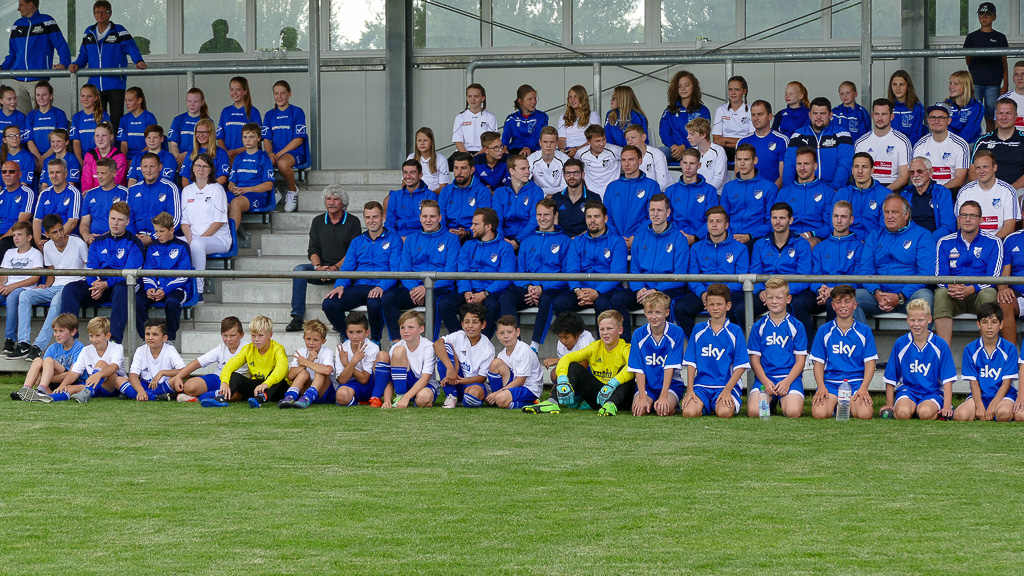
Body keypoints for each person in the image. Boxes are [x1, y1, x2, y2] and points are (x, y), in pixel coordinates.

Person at [60, 201, 143, 343]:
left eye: (120, 220)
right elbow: (91, 269)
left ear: (127, 221)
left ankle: (114, 342)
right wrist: (96, 284)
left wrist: (106, 283)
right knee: (70, 289)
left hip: (121, 285)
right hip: (99, 286)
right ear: (108, 218)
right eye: (112, 219)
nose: (115, 223)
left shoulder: (135, 243)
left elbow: (129, 273)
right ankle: (69, 339)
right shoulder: (98, 242)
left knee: (122, 289)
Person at [526, 309, 632, 416]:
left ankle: (610, 404)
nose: (605, 333)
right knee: (573, 366)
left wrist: (613, 383)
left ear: (620, 330)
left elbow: (631, 369)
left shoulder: (626, 349)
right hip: (600, 398)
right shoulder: (595, 347)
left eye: (609, 329)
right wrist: (563, 378)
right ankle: (552, 402)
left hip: (621, 401)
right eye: (602, 329)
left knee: (630, 367)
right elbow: (567, 358)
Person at [321, 200, 400, 341]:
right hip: (360, 286)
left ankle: (375, 341)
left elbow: (395, 271)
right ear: (364, 218)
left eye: (375, 217)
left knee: (374, 302)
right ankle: (350, 338)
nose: (371, 221)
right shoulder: (357, 241)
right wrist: (339, 286)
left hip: (381, 285)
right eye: (368, 217)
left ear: (383, 218)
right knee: (329, 303)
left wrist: (381, 287)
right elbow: (347, 269)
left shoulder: (394, 240)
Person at [380, 199, 458, 340]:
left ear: (439, 218)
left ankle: (430, 342)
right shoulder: (410, 239)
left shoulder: (451, 239)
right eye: (425, 216)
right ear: (420, 217)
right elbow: (404, 269)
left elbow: (450, 272)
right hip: (414, 288)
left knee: (435, 299)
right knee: (388, 298)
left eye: (432, 216)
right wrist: (414, 288)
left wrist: (427, 287)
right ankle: (397, 342)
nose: (428, 220)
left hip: (439, 287)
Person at [499, 198, 571, 349]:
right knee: (506, 296)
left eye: (546, 214)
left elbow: (567, 274)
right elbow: (519, 272)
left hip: (552, 289)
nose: (542, 218)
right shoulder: (527, 241)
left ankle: (534, 346)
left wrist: (542, 288)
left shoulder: (565, 241)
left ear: (555, 215)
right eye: (539, 214)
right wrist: (529, 287)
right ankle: (516, 344)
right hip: (528, 288)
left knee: (547, 298)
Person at [11, 214, 86, 361]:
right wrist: (45, 286)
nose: (59, 235)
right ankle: (24, 343)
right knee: (25, 295)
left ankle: (38, 346)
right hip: (55, 286)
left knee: (58, 299)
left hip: (74, 286)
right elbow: (52, 273)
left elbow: (89, 268)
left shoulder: (78, 243)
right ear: (47, 234)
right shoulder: (48, 247)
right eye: (54, 232)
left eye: (60, 230)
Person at [551, 201, 629, 334]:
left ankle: (604, 349)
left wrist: (597, 292)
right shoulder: (577, 242)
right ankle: (571, 347)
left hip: (607, 290)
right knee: (560, 302)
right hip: (582, 289)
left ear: (605, 218)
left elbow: (617, 274)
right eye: (589, 217)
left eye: (597, 216)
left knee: (603, 304)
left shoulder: (617, 242)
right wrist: (577, 290)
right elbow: (571, 270)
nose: (592, 221)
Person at [68, 1, 146, 133]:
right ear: (93, 14)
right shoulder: (89, 32)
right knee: (98, 121)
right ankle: (100, 151)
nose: (100, 14)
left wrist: (138, 60)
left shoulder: (119, 31)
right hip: (95, 87)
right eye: (97, 12)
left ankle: (116, 151)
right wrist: (76, 64)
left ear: (110, 14)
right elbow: (84, 54)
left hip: (116, 84)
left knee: (116, 120)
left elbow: (131, 48)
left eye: (104, 12)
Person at [855, 195, 935, 323]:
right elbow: (865, 270)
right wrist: (877, 293)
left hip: (909, 296)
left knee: (924, 297)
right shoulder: (875, 235)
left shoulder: (923, 235)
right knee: (847, 298)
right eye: (886, 212)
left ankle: (922, 343)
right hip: (879, 297)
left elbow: (925, 274)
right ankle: (863, 342)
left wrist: (900, 296)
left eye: (894, 212)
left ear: (906, 215)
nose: (889, 216)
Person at [933, 200, 1002, 347]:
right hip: (954, 295)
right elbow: (940, 276)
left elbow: (993, 276)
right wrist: (953, 287)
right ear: (958, 219)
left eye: (972, 215)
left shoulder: (994, 242)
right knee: (940, 293)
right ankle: (945, 358)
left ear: (981, 220)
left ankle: (986, 352)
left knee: (989, 293)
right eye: (963, 215)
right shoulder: (944, 242)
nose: (967, 219)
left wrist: (972, 288)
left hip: (978, 294)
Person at [612, 193, 688, 324]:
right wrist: (639, 290)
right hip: (643, 289)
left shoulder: (679, 239)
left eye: (660, 210)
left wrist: (656, 291)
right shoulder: (640, 237)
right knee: (617, 299)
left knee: (664, 302)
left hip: (667, 289)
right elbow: (635, 270)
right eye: (652, 210)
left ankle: (665, 342)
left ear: (668, 212)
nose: (655, 214)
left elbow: (679, 276)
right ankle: (626, 343)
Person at [674, 206, 749, 337]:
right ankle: (697, 342)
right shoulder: (697, 248)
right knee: (680, 308)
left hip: (730, 292)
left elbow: (740, 279)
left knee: (731, 308)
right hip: (704, 292)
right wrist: (703, 293)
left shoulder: (740, 248)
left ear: (726, 225)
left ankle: (729, 345)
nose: (714, 225)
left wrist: (718, 294)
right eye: (710, 221)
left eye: (718, 221)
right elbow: (692, 277)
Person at [440, 207, 514, 338]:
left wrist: (485, 294)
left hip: (491, 292)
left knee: (493, 306)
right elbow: (462, 272)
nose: (471, 227)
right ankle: (461, 340)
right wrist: (466, 292)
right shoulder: (468, 246)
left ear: (488, 227)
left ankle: (482, 343)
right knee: (445, 304)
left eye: (476, 224)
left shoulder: (505, 247)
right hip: (471, 290)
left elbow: (505, 277)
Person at [809, 284, 877, 420]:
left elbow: (870, 363)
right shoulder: (824, 330)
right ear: (833, 306)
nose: (843, 306)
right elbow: (818, 364)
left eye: (847, 301)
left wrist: (864, 388)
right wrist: (821, 387)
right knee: (819, 414)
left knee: (865, 414)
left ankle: (848, 404)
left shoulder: (864, 331)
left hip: (856, 383)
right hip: (831, 383)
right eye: (838, 302)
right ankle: (836, 405)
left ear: (855, 304)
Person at [680, 283, 749, 418]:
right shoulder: (699, 330)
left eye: (719, 304)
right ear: (706, 305)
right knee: (689, 413)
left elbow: (741, 366)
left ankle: (714, 405)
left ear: (728, 306)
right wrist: (690, 390)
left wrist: (728, 390)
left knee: (724, 413)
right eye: (711, 304)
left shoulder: (735, 331)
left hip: (726, 385)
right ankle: (706, 405)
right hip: (702, 386)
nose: (715, 308)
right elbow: (691, 362)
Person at [881, 299, 956, 421]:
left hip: (932, 393)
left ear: (929, 319)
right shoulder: (901, 343)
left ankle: (937, 412)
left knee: (925, 413)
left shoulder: (940, 344)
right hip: (908, 391)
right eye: (912, 320)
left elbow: (947, 380)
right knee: (902, 413)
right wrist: (889, 404)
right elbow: (890, 377)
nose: (916, 324)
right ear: (907, 319)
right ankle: (911, 408)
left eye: (921, 320)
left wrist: (947, 406)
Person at [750, 203, 816, 339]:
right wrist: (761, 291)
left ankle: (808, 351)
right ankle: (749, 349)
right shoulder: (760, 244)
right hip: (766, 292)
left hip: (792, 291)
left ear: (790, 220)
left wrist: (781, 294)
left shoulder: (801, 244)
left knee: (797, 304)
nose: (778, 222)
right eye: (774, 218)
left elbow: (804, 277)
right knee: (741, 308)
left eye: (782, 218)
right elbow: (754, 274)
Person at [748, 278, 808, 419]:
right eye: (770, 298)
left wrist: (787, 382)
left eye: (779, 298)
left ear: (788, 299)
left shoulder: (796, 326)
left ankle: (785, 401)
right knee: (755, 412)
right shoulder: (758, 326)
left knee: (793, 413)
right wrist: (766, 382)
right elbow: (755, 361)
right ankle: (771, 401)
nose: (774, 301)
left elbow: (800, 361)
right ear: (765, 299)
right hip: (766, 379)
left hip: (789, 379)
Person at [956, 302, 1024, 422]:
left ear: (1001, 324)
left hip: (1004, 396)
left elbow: (1006, 383)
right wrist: (979, 405)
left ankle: (997, 410)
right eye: (984, 322)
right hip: (980, 396)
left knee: (1003, 413)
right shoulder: (970, 349)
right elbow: (974, 383)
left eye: (994, 322)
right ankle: (982, 411)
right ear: (978, 324)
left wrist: (992, 406)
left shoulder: (1009, 348)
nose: (989, 327)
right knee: (960, 415)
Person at [1, 0, 70, 114]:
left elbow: (61, 45)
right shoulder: (17, 25)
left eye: (20, 5)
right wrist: (3, 67)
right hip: (18, 80)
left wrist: (65, 62)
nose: (18, 9)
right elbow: (12, 54)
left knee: (40, 117)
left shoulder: (47, 21)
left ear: (30, 4)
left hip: (38, 79)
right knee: (21, 120)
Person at [135, 212, 193, 342]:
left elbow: (184, 275)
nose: (158, 234)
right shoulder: (152, 246)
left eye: (162, 231)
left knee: (172, 302)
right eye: (156, 231)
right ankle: (147, 337)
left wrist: (165, 289)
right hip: (155, 286)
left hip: (177, 288)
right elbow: (147, 270)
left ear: (171, 230)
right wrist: (150, 287)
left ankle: (169, 339)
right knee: (135, 301)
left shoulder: (182, 247)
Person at [629, 291, 687, 417]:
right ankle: (650, 401)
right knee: (639, 411)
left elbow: (669, 367)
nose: (653, 316)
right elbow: (638, 369)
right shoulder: (638, 334)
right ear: (645, 312)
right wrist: (643, 396)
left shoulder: (676, 332)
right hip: (648, 386)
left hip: (671, 385)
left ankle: (669, 403)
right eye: (650, 312)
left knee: (664, 410)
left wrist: (664, 396)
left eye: (658, 312)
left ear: (666, 313)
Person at [48, 316, 126, 403]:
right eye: (91, 336)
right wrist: (62, 385)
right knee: (70, 388)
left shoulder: (117, 347)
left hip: (113, 386)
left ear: (107, 336)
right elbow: (75, 372)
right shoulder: (86, 350)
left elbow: (114, 367)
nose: (94, 340)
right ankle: (49, 398)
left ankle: (87, 392)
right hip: (94, 385)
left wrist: (99, 374)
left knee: (101, 363)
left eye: (97, 336)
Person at [215, 315, 289, 408]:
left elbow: (281, 370)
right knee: (234, 375)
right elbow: (230, 365)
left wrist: (266, 384)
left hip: (277, 389)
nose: (256, 339)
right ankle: (222, 397)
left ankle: (261, 398)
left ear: (270, 334)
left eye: (260, 335)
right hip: (257, 387)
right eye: (253, 336)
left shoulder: (278, 349)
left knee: (277, 376)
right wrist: (224, 382)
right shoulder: (248, 349)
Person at [169, 316, 246, 404]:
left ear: (242, 335)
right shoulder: (220, 348)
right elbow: (198, 362)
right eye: (225, 336)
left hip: (235, 383)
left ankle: (202, 397)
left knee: (235, 395)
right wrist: (179, 376)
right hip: (217, 379)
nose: (228, 339)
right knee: (189, 386)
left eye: (232, 336)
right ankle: (212, 395)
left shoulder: (248, 348)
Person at [783, 97, 853, 190]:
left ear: (830, 115)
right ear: (809, 115)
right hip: (804, 189)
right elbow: (789, 164)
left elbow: (845, 163)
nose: (818, 117)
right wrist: (788, 190)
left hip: (833, 189)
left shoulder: (842, 134)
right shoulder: (798, 135)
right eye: (815, 113)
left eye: (822, 113)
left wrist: (835, 189)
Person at [372, 311, 437, 409]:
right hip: (406, 383)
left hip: (425, 384)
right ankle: (400, 396)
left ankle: (410, 398)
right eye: (402, 328)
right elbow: (388, 378)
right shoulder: (396, 347)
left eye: (411, 327)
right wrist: (387, 400)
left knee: (423, 399)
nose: (406, 331)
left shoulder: (428, 347)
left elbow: (425, 378)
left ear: (421, 329)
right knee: (398, 351)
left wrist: (406, 398)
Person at [435, 302, 495, 409]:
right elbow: (437, 344)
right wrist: (450, 368)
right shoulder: (459, 336)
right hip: (454, 379)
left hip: (471, 383)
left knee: (472, 396)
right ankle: (451, 396)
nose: (470, 326)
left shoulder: (488, 348)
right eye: (467, 322)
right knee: (446, 347)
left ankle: (472, 399)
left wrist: (458, 380)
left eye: (475, 322)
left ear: (483, 325)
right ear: (462, 324)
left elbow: (481, 378)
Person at [10, 312, 81, 401]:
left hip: (69, 381)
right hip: (49, 382)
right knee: (37, 360)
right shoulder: (52, 348)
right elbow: (42, 370)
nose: (57, 334)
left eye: (61, 331)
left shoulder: (79, 349)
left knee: (48, 360)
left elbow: (73, 374)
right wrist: (41, 378)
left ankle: (41, 390)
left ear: (73, 332)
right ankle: (25, 389)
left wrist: (46, 379)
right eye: (55, 331)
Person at [811, 201, 863, 320]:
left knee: (833, 303)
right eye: (835, 216)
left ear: (851, 220)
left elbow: (858, 279)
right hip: (822, 293)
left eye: (843, 217)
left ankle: (832, 338)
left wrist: (834, 290)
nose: (839, 220)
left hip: (844, 293)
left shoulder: (859, 247)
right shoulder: (820, 247)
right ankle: (808, 339)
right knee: (800, 303)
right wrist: (820, 290)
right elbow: (815, 275)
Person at [262, 80, 308, 213]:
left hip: (294, 152)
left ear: (289, 94)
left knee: (282, 164)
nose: (279, 96)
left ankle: (293, 190)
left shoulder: (297, 112)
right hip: (274, 153)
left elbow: (298, 139)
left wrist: (280, 153)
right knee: (257, 163)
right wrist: (270, 153)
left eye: (283, 93)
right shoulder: (269, 114)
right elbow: (266, 139)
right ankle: (275, 193)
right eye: (276, 93)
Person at [719, 143, 777, 247]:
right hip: (730, 237)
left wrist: (749, 236)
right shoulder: (728, 187)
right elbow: (722, 217)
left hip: (756, 238)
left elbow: (771, 221)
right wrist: (728, 235)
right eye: (739, 159)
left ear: (755, 161)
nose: (742, 164)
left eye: (746, 159)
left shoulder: (769, 187)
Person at [964, 2, 1009, 134]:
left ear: (994, 17)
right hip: (976, 81)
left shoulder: (1000, 37)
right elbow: (968, 60)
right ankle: (975, 141)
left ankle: (991, 139)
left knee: (991, 115)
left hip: (993, 83)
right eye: (981, 15)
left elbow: (1004, 62)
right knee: (974, 114)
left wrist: (1005, 83)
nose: (984, 18)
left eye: (988, 15)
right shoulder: (971, 37)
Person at [483, 316, 544, 410]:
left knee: (500, 398)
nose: (506, 336)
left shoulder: (523, 350)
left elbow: (521, 380)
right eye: (502, 333)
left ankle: (531, 402)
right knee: (495, 363)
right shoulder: (502, 354)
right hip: (514, 386)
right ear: (497, 335)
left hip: (529, 388)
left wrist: (497, 393)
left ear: (517, 332)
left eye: (510, 332)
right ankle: (497, 399)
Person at [777, 147, 834, 248]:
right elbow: (775, 221)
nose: (802, 168)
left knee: (807, 244)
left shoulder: (827, 192)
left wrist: (810, 234)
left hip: (814, 237)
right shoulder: (784, 192)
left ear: (815, 166)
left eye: (806, 164)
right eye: (799, 164)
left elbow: (829, 226)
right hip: (788, 236)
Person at [0, 221, 42, 356]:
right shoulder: (9, 252)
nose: (16, 238)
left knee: (12, 297)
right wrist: (1, 285)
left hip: (24, 288)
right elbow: (4, 275)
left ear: (29, 237)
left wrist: (13, 286)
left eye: (19, 235)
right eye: (14, 235)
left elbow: (35, 278)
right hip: (8, 287)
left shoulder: (35, 254)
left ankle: (10, 339)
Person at [603, 145, 658, 247]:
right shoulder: (612, 187)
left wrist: (635, 237)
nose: (626, 164)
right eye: (623, 160)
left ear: (640, 161)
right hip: (615, 241)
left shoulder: (651, 186)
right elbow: (606, 217)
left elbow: (653, 216)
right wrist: (618, 239)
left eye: (631, 159)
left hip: (643, 241)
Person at [957, 149, 1019, 238]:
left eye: (985, 167)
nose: (981, 171)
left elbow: (1009, 226)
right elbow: (961, 223)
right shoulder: (965, 191)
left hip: (998, 241)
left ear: (994, 168)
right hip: (971, 241)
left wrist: (991, 243)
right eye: (978, 167)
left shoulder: (1008, 191)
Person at [276, 319, 335, 409]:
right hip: (306, 389)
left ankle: (308, 398)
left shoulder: (327, 352)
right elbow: (290, 376)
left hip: (324, 392)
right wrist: (306, 362)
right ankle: (289, 397)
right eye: (308, 339)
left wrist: (306, 362)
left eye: (315, 340)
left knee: (320, 372)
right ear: (304, 338)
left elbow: (327, 370)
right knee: (303, 373)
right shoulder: (301, 352)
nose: (311, 343)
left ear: (323, 341)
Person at [855, 98, 912, 191]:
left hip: (893, 188)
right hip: (867, 187)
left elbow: (904, 177)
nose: (880, 118)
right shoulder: (861, 143)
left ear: (892, 116)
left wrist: (883, 192)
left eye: (884, 114)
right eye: (877, 114)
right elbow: (857, 173)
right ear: (872, 116)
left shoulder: (902, 141)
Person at [664, 148, 717, 246]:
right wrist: (678, 236)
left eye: (692, 163)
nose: (687, 167)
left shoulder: (709, 190)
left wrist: (696, 237)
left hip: (702, 241)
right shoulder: (670, 191)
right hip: (676, 239)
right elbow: (666, 218)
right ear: (681, 163)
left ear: (699, 165)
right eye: (685, 163)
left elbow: (712, 219)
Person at [122, 320, 185, 401]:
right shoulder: (141, 350)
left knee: (175, 380)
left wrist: (162, 373)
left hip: (163, 385)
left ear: (164, 338)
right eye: (147, 334)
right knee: (119, 380)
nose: (150, 338)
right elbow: (133, 375)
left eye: (155, 334)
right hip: (145, 384)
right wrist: (140, 390)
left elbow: (185, 371)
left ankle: (132, 394)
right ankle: (155, 397)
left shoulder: (170, 350)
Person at [126, 152, 180, 247]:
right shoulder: (133, 190)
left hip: (162, 240)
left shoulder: (170, 188)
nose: (148, 170)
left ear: (160, 167)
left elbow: (175, 219)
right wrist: (134, 237)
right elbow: (127, 218)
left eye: (152, 166)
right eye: (145, 167)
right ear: (141, 168)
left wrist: (153, 237)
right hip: (135, 240)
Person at [226, 122, 273, 228]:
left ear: (259, 138)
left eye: (251, 137)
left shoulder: (264, 158)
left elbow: (268, 185)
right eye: (245, 137)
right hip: (238, 193)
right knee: (218, 201)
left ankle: (231, 240)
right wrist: (233, 189)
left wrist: (245, 190)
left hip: (256, 195)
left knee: (236, 203)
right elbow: (231, 183)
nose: (248, 140)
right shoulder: (238, 158)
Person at [832, 152, 889, 239]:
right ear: (852, 170)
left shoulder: (885, 194)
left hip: (875, 243)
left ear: (872, 170)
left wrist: (869, 243)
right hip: (848, 242)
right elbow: (834, 225)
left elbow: (885, 227)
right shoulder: (842, 194)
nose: (860, 171)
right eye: (856, 166)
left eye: (864, 167)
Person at [913, 104, 970, 190]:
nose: (936, 121)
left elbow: (959, 179)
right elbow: (916, 175)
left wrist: (939, 192)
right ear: (928, 120)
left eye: (941, 118)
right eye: (933, 117)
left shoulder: (960, 145)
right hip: (926, 191)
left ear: (949, 121)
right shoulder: (920, 145)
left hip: (951, 191)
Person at [971, 98, 1024, 189]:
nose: (1004, 117)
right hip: (986, 190)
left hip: (1017, 190)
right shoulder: (982, 141)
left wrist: (1009, 190)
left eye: (1008, 113)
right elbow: (972, 171)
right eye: (1000, 113)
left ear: (1015, 116)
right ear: (995, 115)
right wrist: (986, 190)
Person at [438, 152, 492, 241]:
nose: (459, 172)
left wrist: (468, 233)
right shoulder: (446, 191)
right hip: (447, 235)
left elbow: (483, 221)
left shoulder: (482, 191)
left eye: (463, 168)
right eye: (456, 168)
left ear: (472, 170)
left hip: (474, 237)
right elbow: (440, 218)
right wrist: (446, 231)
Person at [900, 156, 956, 242]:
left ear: (930, 172)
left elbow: (948, 226)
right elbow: (899, 224)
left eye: (919, 171)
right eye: (911, 172)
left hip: (934, 241)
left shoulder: (943, 193)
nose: (915, 175)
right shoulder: (905, 194)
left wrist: (927, 240)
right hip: (909, 242)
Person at [493, 154, 544, 246]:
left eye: (528, 168)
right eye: (523, 169)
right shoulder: (499, 192)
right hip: (504, 239)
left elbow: (535, 219)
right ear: (511, 171)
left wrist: (518, 241)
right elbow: (496, 220)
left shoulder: (537, 191)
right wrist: (501, 240)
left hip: (529, 239)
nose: (527, 172)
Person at [659, 70, 710, 162]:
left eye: (687, 85)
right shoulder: (669, 111)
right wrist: (673, 146)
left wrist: (684, 147)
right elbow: (664, 133)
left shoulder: (703, 111)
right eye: (679, 86)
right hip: (673, 150)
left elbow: (703, 134)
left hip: (696, 149)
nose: (683, 88)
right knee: (656, 155)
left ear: (693, 87)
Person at [738, 100, 788, 188]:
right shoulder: (743, 141)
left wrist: (770, 192)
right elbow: (737, 173)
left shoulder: (782, 140)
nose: (756, 118)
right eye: (753, 115)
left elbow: (783, 175)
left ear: (770, 116)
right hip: (748, 193)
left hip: (772, 194)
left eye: (760, 114)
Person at [32, 158, 80, 247]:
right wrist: (38, 241)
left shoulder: (74, 193)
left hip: (67, 238)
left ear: (65, 174)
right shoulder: (44, 194)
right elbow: (37, 221)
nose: (54, 175)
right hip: (45, 237)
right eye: (51, 173)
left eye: (58, 172)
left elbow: (72, 222)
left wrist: (54, 241)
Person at [78, 157, 127, 242]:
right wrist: (86, 235)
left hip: (116, 239)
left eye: (103, 173)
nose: (99, 177)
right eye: (98, 173)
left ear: (114, 173)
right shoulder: (90, 194)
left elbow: (125, 223)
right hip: (94, 240)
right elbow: (84, 223)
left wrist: (104, 237)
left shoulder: (125, 193)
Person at [385, 159, 437, 239]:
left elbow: (432, 223)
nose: (408, 176)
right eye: (405, 172)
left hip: (422, 238)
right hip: (399, 239)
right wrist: (396, 240)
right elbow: (389, 224)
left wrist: (410, 239)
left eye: (412, 172)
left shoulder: (430, 196)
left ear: (420, 175)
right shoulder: (395, 197)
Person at [540, 311, 594, 385]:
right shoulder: (560, 343)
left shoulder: (585, 340)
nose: (563, 341)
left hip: (591, 374)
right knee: (554, 373)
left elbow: (581, 367)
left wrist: (559, 361)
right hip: (573, 371)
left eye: (566, 337)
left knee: (571, 371)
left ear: (578, 334)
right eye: (560, 337)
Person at [551, 158, 598, 237]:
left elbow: (597, 225)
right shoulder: (556, 198)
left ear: (583, 174)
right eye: (568, 173)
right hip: (562, 242)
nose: (571, 176)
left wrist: (575, 240)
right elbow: (553, 226)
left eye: (575, 173)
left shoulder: (594, 198)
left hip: (586, 241)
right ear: (563, 175)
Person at [218, 77, 261, 163]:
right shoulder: (225, 111)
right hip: (228, 156)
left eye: (238, 90)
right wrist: (225, 151)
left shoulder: (253, 112)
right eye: (232, 89)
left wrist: (237, 151)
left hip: (247, 155)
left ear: (245, 91)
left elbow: (258, 141)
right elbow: (220, 137)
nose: (234, 93)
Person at [712, 76, 754, 161]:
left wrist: (726, 140)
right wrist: (739, 142)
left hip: (745, 150)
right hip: (725, 150)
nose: (733, 93)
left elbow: (751, 140)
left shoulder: (751, 110)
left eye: (737, 90)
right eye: (730, 89)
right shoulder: (721, 110)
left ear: (744, 91)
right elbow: (716, 141)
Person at [27, 83, 68, 167]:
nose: (41, 98)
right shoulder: (31, 115)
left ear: (51, 96)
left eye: (44, 95)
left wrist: (43, 159)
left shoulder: (59, 114)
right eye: (38, 95)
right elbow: (29, 141)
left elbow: (60, 140)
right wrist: (39, 158)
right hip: (35, 158)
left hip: (55, 155)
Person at [179, 118, 229, 187]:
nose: (201, 135)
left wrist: (204, 189)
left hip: (213, 190)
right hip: (193, 192)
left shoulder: (221, 153)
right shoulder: (190, 153)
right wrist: (191, 191)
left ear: (211, 133)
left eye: (204, 132)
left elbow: (223, 178)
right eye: (198, 132)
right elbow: (185, 178)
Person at [575, 125, 621, 197]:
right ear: (588, 141)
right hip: (592, 195)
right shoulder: (581, 153)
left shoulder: (615, 150)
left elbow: (632, 156)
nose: (602, 143)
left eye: (603, 139)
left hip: (613, 194)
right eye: (597, 141)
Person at [0, 160, 35, 256]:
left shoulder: (27, 193)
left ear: (19, 174)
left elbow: (21, 222)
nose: (7, 174)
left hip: (16, 235)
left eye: (11, 171)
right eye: (4, 172)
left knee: (2, 244)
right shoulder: (1, 194)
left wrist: (2, 237)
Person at [501, 84, 547, 155]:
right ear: (520, 101)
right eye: (530, 99)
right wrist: (504, 147)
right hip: (514, 150)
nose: (533, 102)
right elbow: (506, 135)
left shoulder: (541, 116)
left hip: (533, 151)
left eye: (535, 98)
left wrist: (527, 147)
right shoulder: (511, 118)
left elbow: (537, 134)